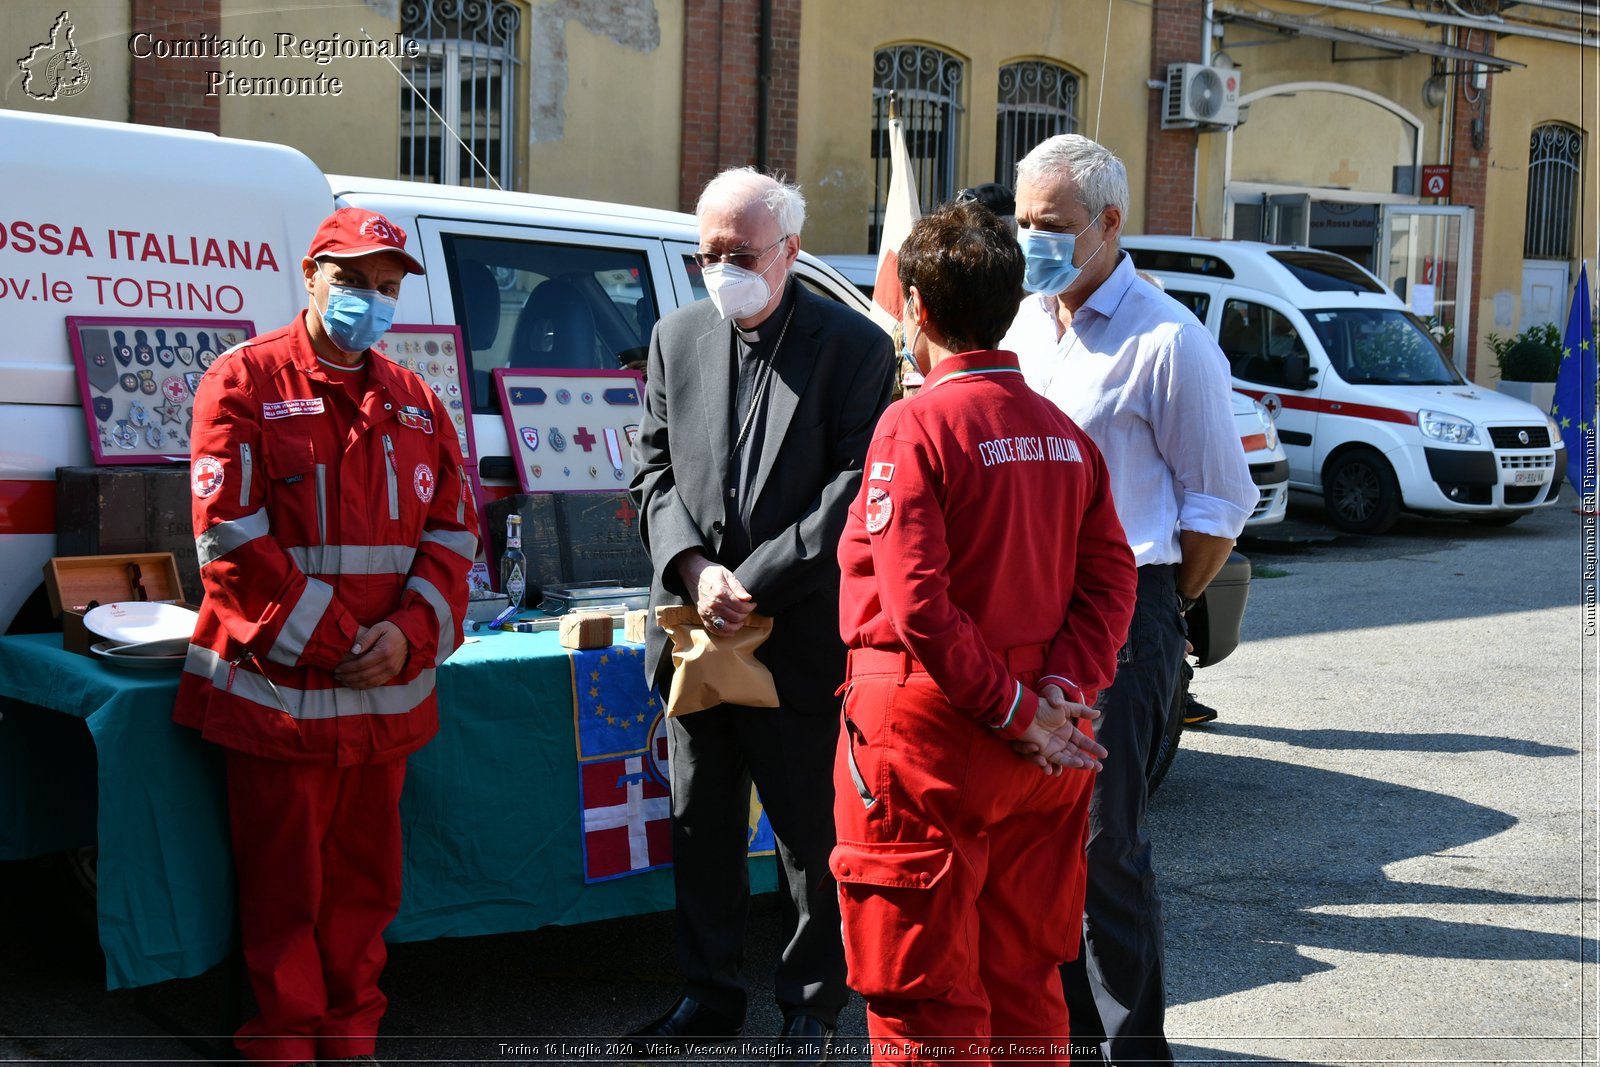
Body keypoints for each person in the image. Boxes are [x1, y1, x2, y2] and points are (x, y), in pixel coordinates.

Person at [832, 200, 1138, 1064]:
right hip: (1042, 747)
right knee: (1023, 981)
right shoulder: (1063, 435)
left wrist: (1014, 708)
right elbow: (1112, 577)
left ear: (917, 309)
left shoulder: (915, 424)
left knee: (925, 995)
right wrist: (1059, 694)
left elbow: (917, 601)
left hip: (936, 742)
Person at [175, 208, 478, 1066]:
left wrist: (413, 632)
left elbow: (456, 533)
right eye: (352, 281)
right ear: (309, 274)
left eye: (386, 288)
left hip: (383, 706)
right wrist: (347, 638)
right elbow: (229, 539)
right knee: (284, 907)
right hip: (281, 705)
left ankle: (352, 1048)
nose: (370, 301)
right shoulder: (243, 382)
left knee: (363, 902)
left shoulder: (417, 400)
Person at [628, 167, 896, 1061]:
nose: (720, 268)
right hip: (699, 637)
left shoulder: (854, 346)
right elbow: (653, 473)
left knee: (808, 839)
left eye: (738, 254)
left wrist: (757, 578)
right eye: (706, 253)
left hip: (797, 636)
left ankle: (811, 1004)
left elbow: (854, 491)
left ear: (789, 252)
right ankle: (708, 996)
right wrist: (697, 569)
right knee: (700, 825)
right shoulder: (676, 337)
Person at [1000, 134, 1257, 1066]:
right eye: (1023, 223)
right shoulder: (1024, 326)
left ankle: (1130, 1050)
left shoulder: (1168, 339)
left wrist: (1153, 609)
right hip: (1025, 616)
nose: (1034, 242)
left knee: (1103, 847)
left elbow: (1217, 504)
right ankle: (1061, 1042)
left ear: (1110, 224)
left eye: (1054, 226)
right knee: (1037, 843)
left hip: (1126, 614)